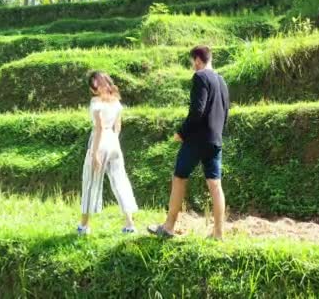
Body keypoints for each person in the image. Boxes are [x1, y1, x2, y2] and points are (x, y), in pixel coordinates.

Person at [148, 45, 230, 240]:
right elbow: (225, 112)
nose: (193, 66)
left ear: (198, 60)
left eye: (193, 62)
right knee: (215, 185)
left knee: (179, 178)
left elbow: (197, 111)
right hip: (215, 140)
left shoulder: (200, 77)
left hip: (196, 139)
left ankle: (168, 227)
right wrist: (217, 134)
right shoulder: (222, 81)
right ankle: (218, 233)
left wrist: (182, 133)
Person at [78, 71, 138, 235]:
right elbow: (117, 127)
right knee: (120, 181)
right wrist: (112, 142)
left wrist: (96, 152)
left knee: (90, 182)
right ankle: (130, 223)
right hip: (113, 141)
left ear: (93, 89)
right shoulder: (116, 102)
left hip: (101, 141)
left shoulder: (96, 102)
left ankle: (84, 226)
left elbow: (98, 128)